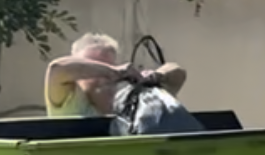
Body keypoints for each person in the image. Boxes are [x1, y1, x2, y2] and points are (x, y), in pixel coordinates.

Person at [44, 34, 187, 120]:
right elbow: (57, 68)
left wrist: (154, 76)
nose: (102, 77)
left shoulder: (129, 98)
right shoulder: (68, 100)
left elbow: (178, 72)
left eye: (107, 65)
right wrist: (114, 71)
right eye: (93, 68)